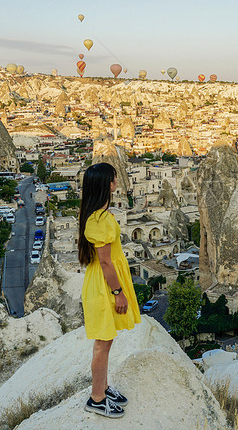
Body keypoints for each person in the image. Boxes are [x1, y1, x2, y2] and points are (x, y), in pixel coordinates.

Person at [78, 162, 141, 418]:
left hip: (104, 282)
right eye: (114, 179)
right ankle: (96, 398)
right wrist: (119, 293)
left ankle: (103, 387)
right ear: (108, 184)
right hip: (104, 286)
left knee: (106, 341)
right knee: (102, 345)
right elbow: (105, 261)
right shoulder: (99, 220)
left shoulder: (97, 215)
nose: (116, 181)